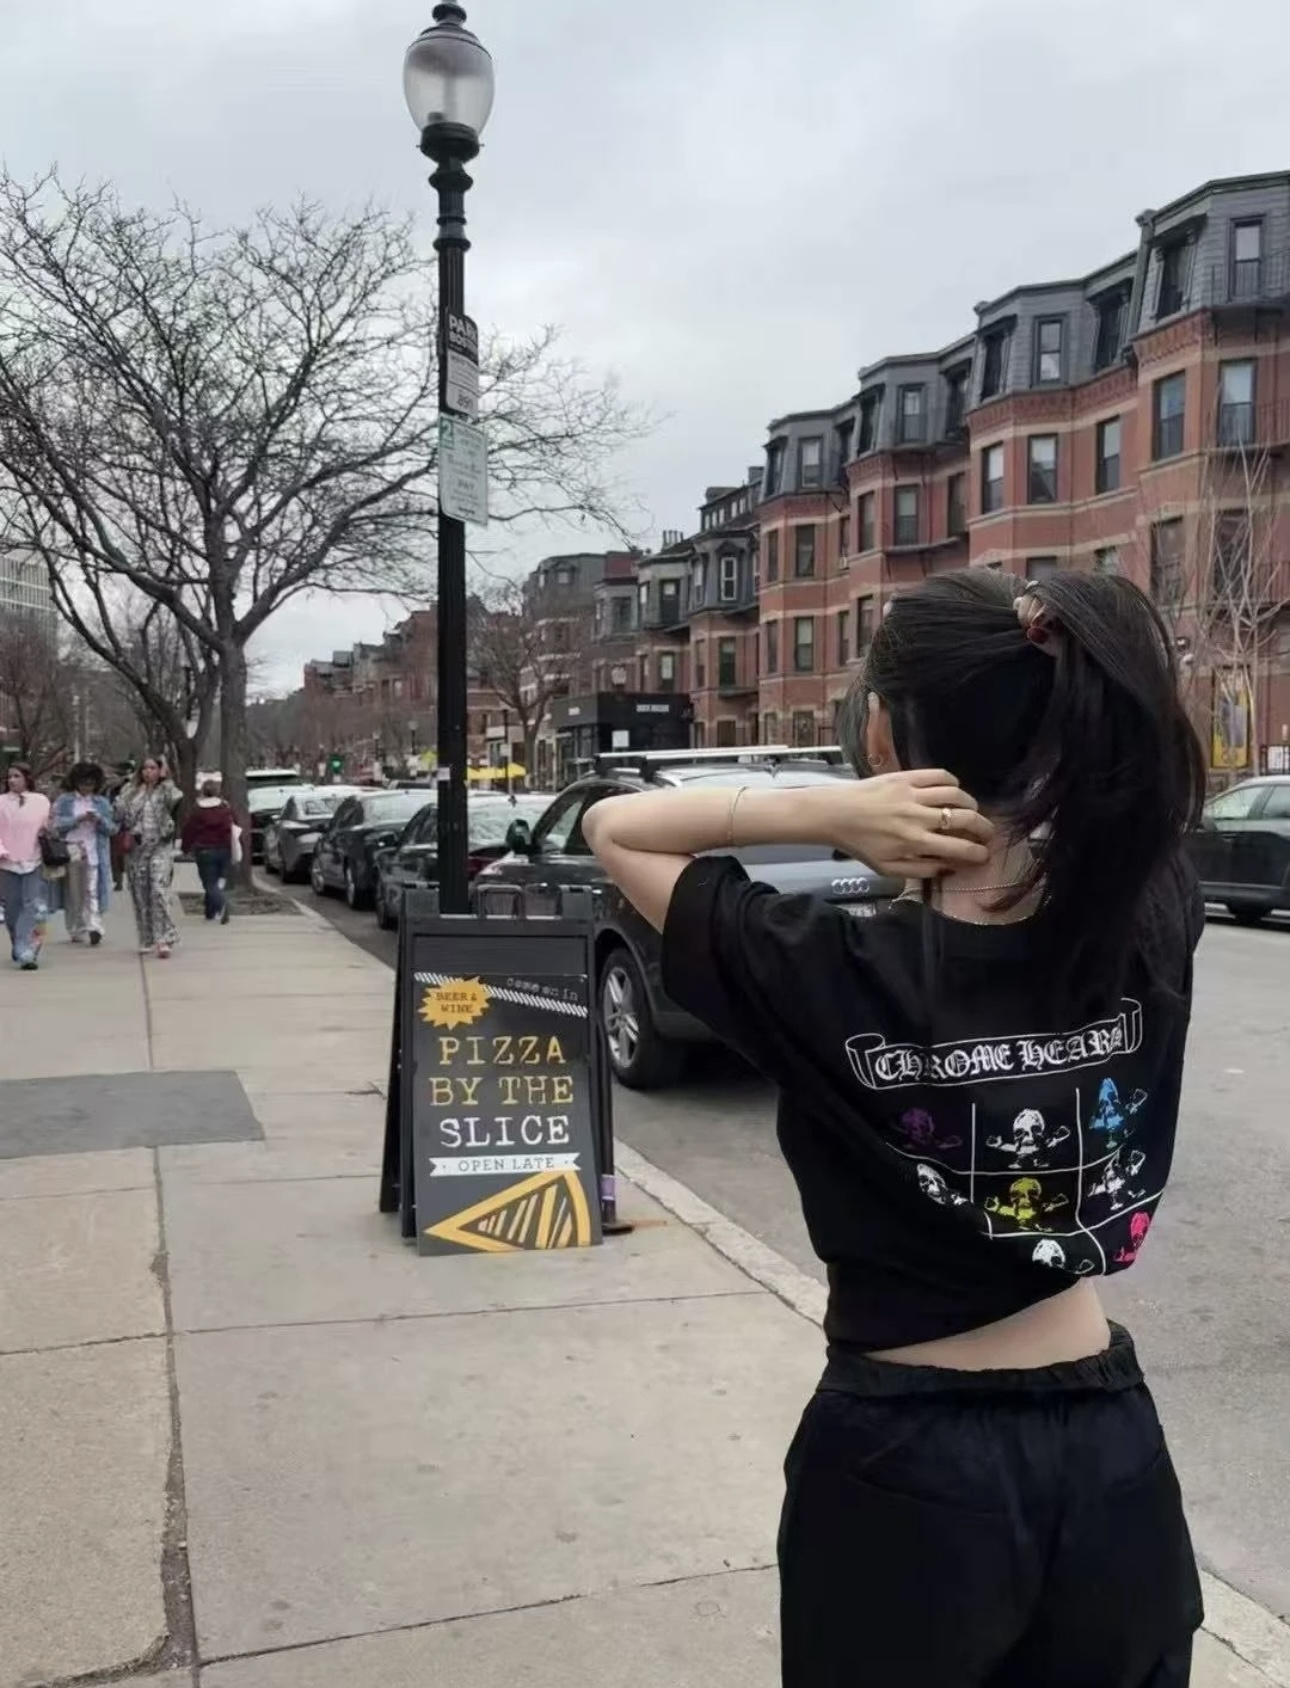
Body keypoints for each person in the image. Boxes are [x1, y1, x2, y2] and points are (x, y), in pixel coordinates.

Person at [583, 569, 1208, 1688]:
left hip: (907, 1471)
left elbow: (614, 825)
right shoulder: (1144, 919)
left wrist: (829, 811)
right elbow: (1137, 784)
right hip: (1113, 1453)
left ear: (884, 734)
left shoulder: (824, 968)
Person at [116, 755, 183, 958]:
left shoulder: (166, 790)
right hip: (137, 847)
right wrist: (122, 803)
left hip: (160, 846)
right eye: (145, 768)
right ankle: (146, 938)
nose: (148, 772)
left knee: (158, 889)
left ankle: (164, 937)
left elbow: (176, 798)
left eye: (153, 768)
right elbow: (118, 815)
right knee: (140, 893)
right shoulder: (130, 791)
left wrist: (166, 778)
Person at [51, 762, 116, 946]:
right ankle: (76, 928)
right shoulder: (65, 801)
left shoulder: (102, 803)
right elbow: (55, 825)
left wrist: (99, 820)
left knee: (92, 890)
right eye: (83, 783)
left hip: (94, 850)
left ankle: (95, 926)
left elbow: (112, 829)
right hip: (71, 850)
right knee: (73, 893)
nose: (87, 787)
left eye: (91, 783)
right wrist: (76, 820)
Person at [0, 763, 53, 970]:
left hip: (34, 860)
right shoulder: (2, 802)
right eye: (10, 777)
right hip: (8, 862)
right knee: (13, 909)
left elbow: (50, 826)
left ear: (27, 778)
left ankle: (28, 950)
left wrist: (48, 834)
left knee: (34, 906)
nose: (12, 780)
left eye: (17, 776)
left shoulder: (41, 801)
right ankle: (18, 943)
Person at [180, 779, 235, 925]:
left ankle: (221, 904)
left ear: (203, 791)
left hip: (205, 850)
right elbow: (232, 826)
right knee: (218, 882)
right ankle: (210, 911)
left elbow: (189, 830)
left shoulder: (197, 810)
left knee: (209, 883)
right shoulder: (225, 807)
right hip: (223, 849)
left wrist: (185, 848)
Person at [107, 761, 135, 892]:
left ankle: (129, 880)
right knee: (116, 856)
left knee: (127, 854)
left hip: (128, 826)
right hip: (115, 826)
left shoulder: (132, 788)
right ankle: (118, 880)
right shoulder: (111, 789)